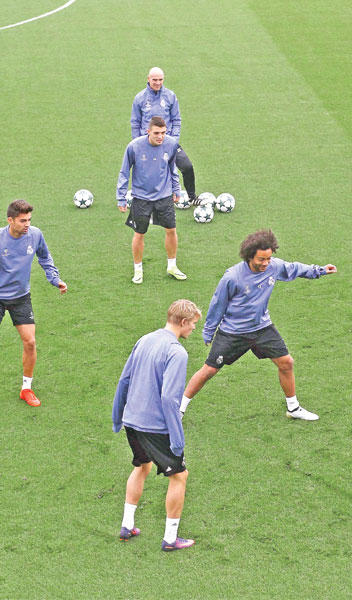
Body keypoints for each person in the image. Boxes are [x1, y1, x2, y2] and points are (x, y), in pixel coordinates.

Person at [182, 229, 337, 421]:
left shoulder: (273, 267)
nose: (265, 263)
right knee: (209, 370)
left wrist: (320, 270)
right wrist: (208, 332)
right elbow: (218, 304)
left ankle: (293, 408)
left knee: (286, 363)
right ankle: (179, 409)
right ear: (249, 256)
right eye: (261, 259)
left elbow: (294, 268)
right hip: (233, 332)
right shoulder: (232, 277)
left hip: (262, 328)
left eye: (268, 258)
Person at [0, 200, 67, 409]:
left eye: (29, 220)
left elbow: (45, 258)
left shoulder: (35, 235)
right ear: (10, 220)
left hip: (21, 297)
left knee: (30, 342)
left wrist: (55, 279)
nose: (27, 225)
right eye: (22, 221)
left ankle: (26, 388)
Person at [112, 299, 201, 552]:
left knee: (142, 466)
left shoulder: (145, 340)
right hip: (154, 427)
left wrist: (117, 416)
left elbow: (124, 380)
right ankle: (170, 539)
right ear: (183, 322)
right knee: (179, 476)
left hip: (132, 421)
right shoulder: (177, 352)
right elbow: (169, 399)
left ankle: (127, 525)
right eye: (193, 324)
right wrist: (177, 438)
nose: (194, 328)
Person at [117, 116, 185, 284]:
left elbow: (172, 169)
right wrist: (121, 197)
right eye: (156, 133)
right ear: (148, 131)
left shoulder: (171, 144)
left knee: (171, 230)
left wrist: (176, 189)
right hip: (141, 198)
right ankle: (138, 270)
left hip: (164, 196)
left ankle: (172, 266)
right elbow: (124, 172)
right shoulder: (134, 147)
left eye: (163, 132)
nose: (160, 136)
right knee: (139, 234)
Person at [130, 67, 198, 204]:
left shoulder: (170, 96)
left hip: (167, 142)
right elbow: (135, 123)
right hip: (147, 143)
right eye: (154, 79)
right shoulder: (140, 98)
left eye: (160, 79)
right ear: (148, 79)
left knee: (187, 166)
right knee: (149, 174)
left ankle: (192, 197)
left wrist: (173, 140)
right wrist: (138, 143)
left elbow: (176, 120)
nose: (158, 82)